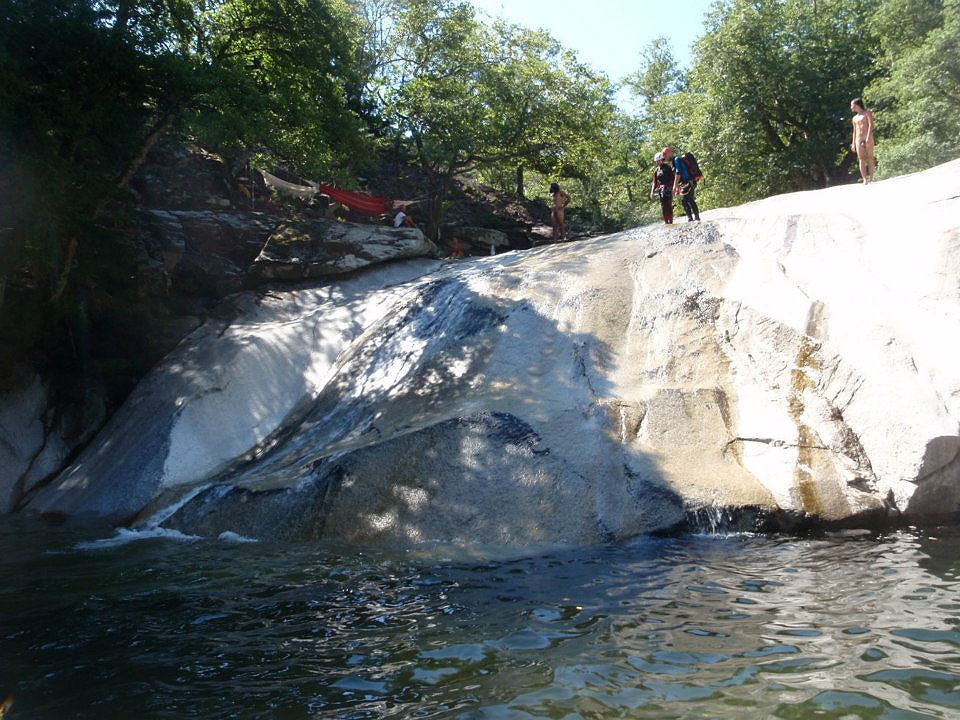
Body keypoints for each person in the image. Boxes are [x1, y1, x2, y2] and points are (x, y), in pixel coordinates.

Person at [663, 146, 701, 222]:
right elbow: (677, 176)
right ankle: (690, 218)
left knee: (688, 199)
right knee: (685, 200)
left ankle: (696, 218)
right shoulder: (673, 162)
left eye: (665, 155)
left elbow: (678, 173)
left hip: (689, 181)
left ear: (670, 153)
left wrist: (674, 187)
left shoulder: (677, 159)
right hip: (684, 183)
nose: (665, 158)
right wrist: (677, 187)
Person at [850, 98, 875, 184]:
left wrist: (868, 137)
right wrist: (853, 143)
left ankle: (871, 178)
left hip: (867, 137)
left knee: (870, 157)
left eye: (852, 105)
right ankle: (864, 179)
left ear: (857, 105)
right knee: (861, 158)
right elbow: (854, 131)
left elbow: (871, 125)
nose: (851, 107)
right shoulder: (854, 118)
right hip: (858, 139)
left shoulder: (867, 113)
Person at [649, 152, 675, 224]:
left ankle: (671, 221)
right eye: (656, 161)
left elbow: (673, 178)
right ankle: (666, 221)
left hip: (668, 188)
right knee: (663, 206)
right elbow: (654, 182)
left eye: (658, 160)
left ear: (661, 160)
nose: (657, 162)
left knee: (668, 204)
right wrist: (652, 192)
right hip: (661, 190)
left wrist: (674, 188)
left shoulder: (668, 167)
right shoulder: (656, 171)